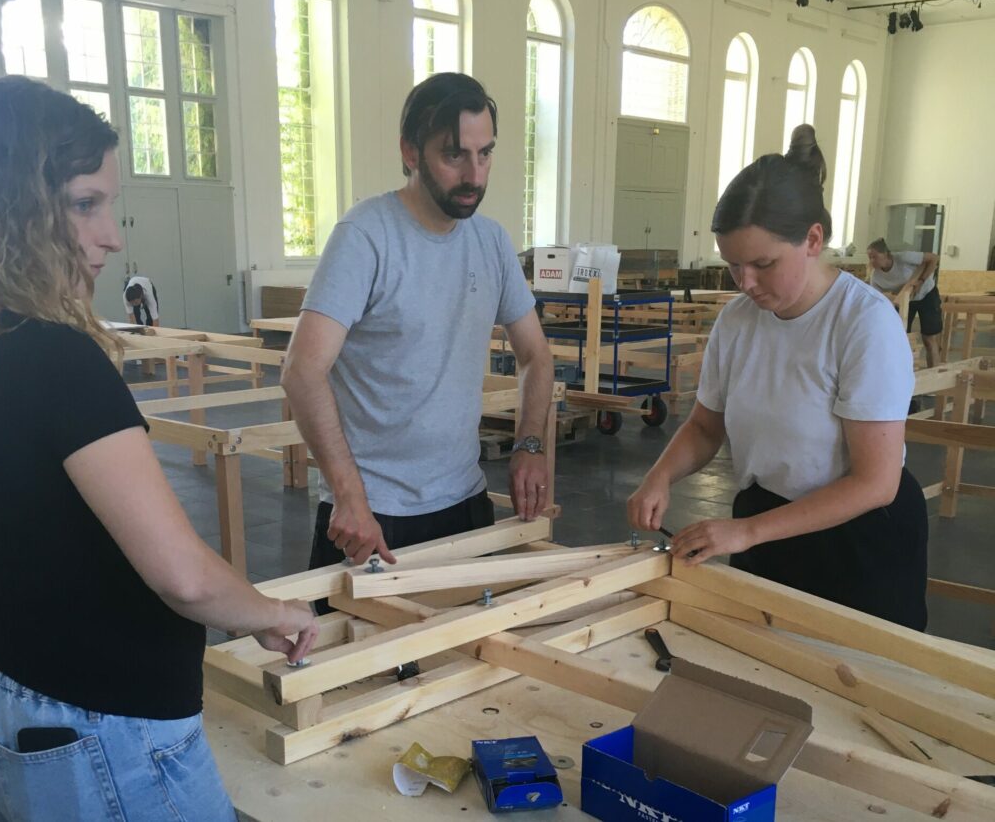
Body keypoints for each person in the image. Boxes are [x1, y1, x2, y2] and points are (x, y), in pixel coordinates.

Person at [0, 76, 318, 821]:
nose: (113, 235)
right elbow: (183, 577)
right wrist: (268, 611)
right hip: (100, 729)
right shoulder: (54, 356)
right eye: (85, 204)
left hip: (2, 698)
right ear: (16, 207)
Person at [627, 125, 928, 630]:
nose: (745, 283)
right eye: (732, 266)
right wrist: (659, 475)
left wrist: (745, 533)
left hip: (857, 538)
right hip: (766, 522)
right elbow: (705, 427)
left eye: (762, 264)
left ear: (813, 239)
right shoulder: (738, 320)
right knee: (759, 671)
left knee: (854, 689)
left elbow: (876, 483)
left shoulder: (862, 323)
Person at [282, 72, 554, 607]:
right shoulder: (366, 237)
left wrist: (530, 444)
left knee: (463, 671)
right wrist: (348, 495)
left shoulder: (491, 241)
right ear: (410, 151)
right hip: (373, 516)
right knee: (355, 676)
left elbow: (536, 356)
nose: (474, 174)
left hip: (463, 502)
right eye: (454, 155)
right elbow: (302, 370)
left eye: (485, 154)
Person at [867, 237, 942, 368]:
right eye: (870, 257)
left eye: (875, 257)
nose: (872, 261)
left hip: (926, 294)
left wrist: (921, 280)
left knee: (929, 339)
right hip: (905, 300)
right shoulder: (876, 277)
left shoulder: (904, 258)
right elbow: (876, 300)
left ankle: (934, 372)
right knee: (900, 337)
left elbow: (934, 258)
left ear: (886, 254)